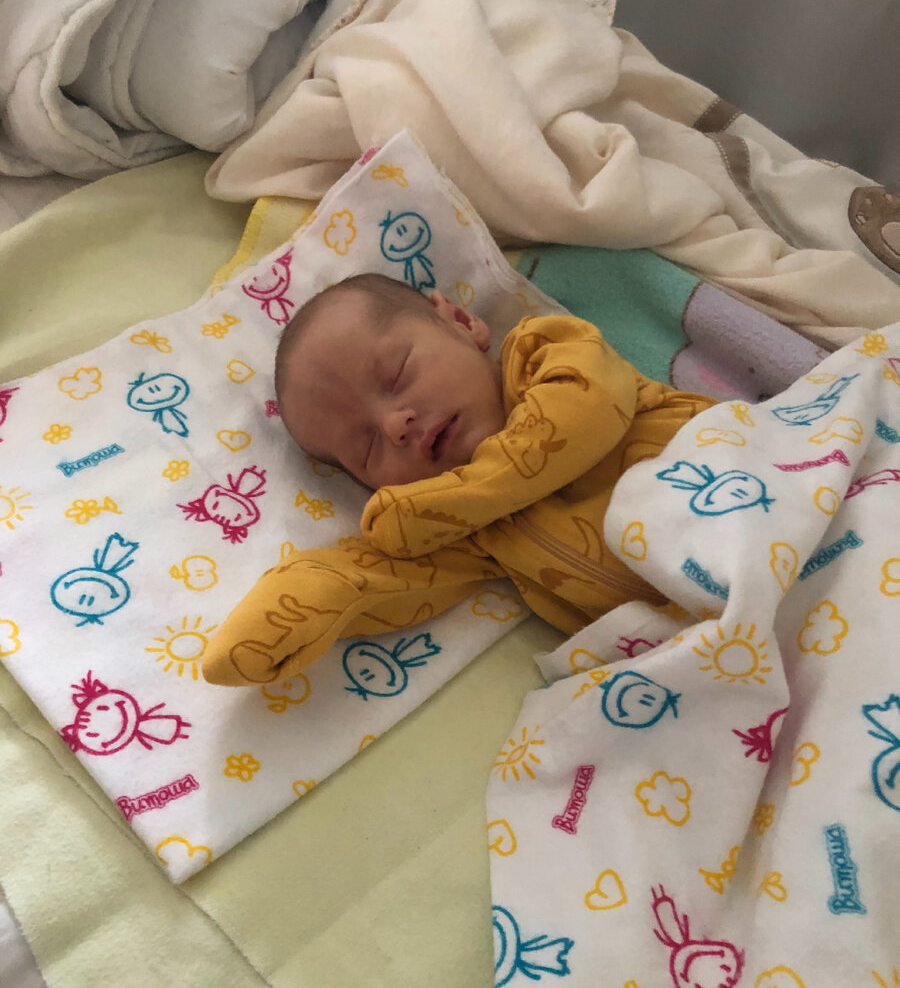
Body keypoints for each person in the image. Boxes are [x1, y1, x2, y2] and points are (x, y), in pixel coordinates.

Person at [201, 273, 714, 686]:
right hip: (709, 642)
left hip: (740, 484)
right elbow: (377, 581)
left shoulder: (546, 353)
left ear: (463, 322)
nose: (394, 425)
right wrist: (281, 619)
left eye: (397, 375)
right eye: (367, 447)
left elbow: (588, 410)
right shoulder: (468, 529)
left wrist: (447, 503)